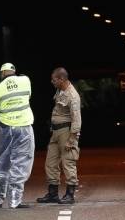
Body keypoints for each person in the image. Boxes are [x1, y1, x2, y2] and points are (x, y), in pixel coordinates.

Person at [0, 62, 35, 209]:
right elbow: (28, 97)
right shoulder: (26, 81)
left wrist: (0, 122)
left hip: (6, 129)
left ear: (2, 74)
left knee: (3, 162)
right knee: (21, 162)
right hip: (24, 127)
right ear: (14, 72)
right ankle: (14, 201)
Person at [36, 67, 82, 205]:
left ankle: (70, 194)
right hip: (56, 132)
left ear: (61, 79)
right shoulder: (60, 90)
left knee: (68, 162)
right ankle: (52, 193)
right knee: (50, 163)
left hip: (66, 132)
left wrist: (72, 139)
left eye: (54, 79)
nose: (52, 82)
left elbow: (77, 119)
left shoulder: (72, 95)